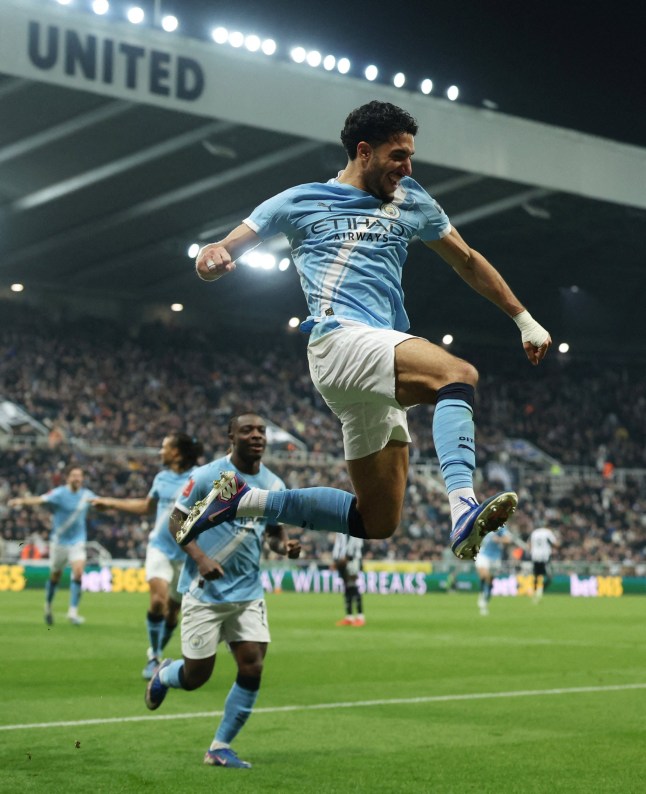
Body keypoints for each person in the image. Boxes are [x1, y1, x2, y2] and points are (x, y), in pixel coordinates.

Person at [178, 100, 551, 562]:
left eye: (410, 155)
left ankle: (240, 501)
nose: (407, 166)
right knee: (457, 375)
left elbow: (468, 260)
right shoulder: (300, 200)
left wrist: (523, 318)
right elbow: (224, 246)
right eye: (398, 155)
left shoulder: (412, 200)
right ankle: (463, 507)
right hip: (338, 341)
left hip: (373, 359)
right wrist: (210, 259)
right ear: (364, 151)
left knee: (377, 520)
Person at [145, 413, 301, 770]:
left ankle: (220, 746)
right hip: (206, 592)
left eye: (261, 431)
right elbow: (176, 522)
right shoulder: (209, 477)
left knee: (253, 665)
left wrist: (285, 547)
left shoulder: (273, 485)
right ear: (231, 436)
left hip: (247, 594)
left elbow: (274, 533)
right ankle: (166, 673)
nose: (256, 436)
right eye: (247, 430)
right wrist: (199, 558)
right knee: (197, 677)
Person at [91, 433, 204, 678]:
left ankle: (158, 650)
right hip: (159, 547)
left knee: (173, 611)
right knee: (157, 601)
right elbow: (146, 507)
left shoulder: (200, 477)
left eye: (164, 447)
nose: (160, 452)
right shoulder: (161, 478)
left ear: (177, 452)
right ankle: (153, 655)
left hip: (186, 554)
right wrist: (111, 503)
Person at [8, 466, 96, 625]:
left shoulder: (87, 495)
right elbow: (40, 499)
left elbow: (101, 502)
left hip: (78, 541)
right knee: (55, 576)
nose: (77, 478)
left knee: (78, 572)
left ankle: (73, 612)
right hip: (59, 542)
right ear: (68, 478)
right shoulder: (59, 493)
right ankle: (48, 606)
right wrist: (21, 501)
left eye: (79, 476)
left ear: (82, 479)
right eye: (73, 475)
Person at [475, 527, 526, 616]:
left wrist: (498, 539)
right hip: (483, 555)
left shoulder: (500, 527)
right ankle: (482, 594)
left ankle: (486, 598)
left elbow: (508, 540)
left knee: (490, 581)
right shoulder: (484, 523)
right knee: (484, 575)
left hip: (495, 558)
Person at [332, 533, 365, 626]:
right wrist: (335, 559)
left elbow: (355, 543)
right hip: (341, 560)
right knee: (347, 588)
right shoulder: (340, 527)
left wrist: (348, 557)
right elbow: (338, 543)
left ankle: (360, 617)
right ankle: (349, 617)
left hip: (352, 560)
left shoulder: (353, 526)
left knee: (353, 586)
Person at [530, 525, 559, 602]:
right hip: (544, 557)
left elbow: (530, 544)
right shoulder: (548, 532)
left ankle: (535, 594)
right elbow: (555, 543)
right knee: (549, 577)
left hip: (535, 556)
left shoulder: (534, 532)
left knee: (536, 576)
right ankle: (540, 590)